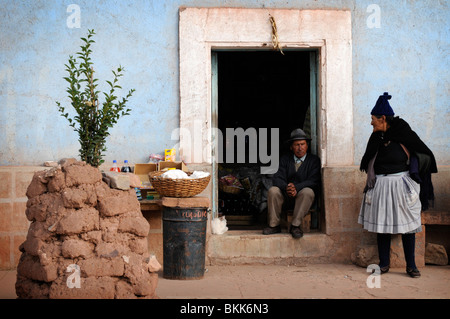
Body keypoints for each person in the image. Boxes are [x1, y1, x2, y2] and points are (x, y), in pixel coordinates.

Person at [359, 92, 437, 278]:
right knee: (382, 226)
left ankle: (411, 266)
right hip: (380, 186)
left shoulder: (403, 133)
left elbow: (423, 153)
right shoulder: (376, 138)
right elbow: (368, 161)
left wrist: (416, 178)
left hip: (401, 185)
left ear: (383, 118)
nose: (371, 123)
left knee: (408, 227)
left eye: (373, 119)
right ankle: (384, 264)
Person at [263, 128, 321, 238]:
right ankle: (274, 225)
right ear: (291, 147)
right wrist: (287, 187)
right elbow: (277, 178)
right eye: (296, 145)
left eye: (302, 144)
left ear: (307, 146)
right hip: (286, 197)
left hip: (303, 199)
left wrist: (296, 188)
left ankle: (295, 226)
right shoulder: (285, 159)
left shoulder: (314, 160)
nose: (300, 148)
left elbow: (314, 181)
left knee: (308, 191)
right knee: (273, 190)